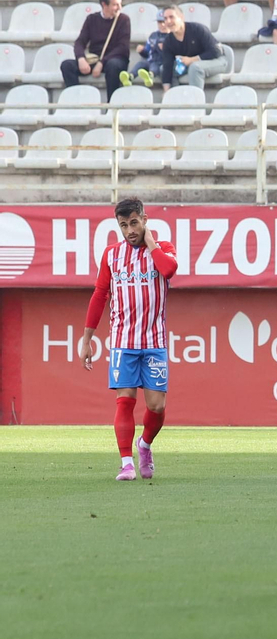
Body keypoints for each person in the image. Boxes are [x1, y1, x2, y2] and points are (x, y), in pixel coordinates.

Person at [77, 198, 177, 481]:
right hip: (123, 341)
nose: (129, 230)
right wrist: (87, 340)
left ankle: (144, 446)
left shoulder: (164, 249)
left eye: (134, 223)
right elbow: (99, 295)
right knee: (125, 401)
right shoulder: (111, 255)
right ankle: (126, 463)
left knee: (157, 406)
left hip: (154, 342)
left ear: (144, 219)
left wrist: (151, 242)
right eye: (124, 225)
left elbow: (168, 271)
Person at [62, 0, 130, 97]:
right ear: (104, 5)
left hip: (114, 59)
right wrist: (81, 58)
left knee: (113, 66)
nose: (119, 8)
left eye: (120, 4)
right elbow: (80, 42)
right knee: (66, 66)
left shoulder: (124, 20)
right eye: (115, 5)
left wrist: (102, 62)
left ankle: (111, 104)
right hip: (95, 58)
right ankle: (75, 99)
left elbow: (122, 47)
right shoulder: (92, 19)